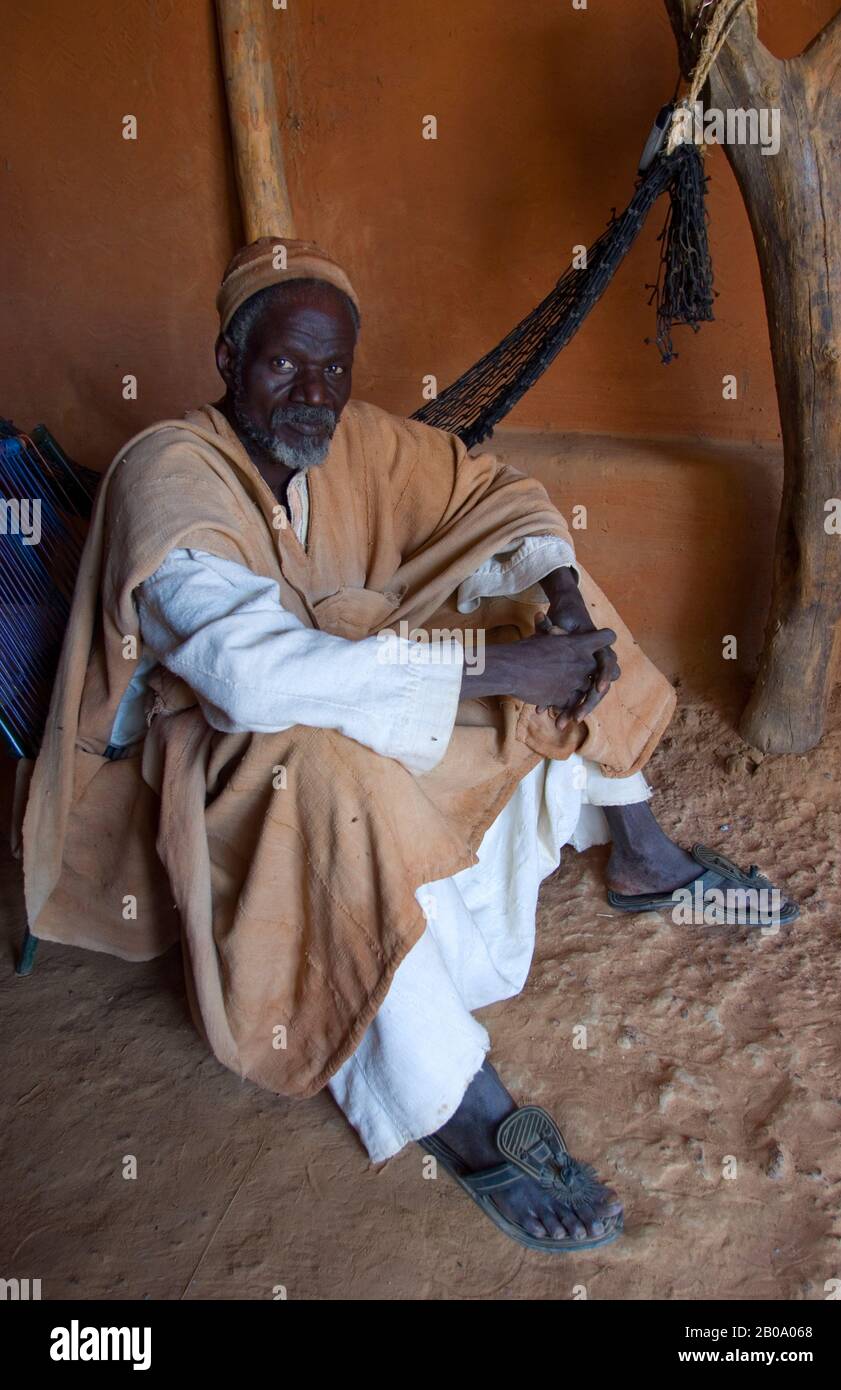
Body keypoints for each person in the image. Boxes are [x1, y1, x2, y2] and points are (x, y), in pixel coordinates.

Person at [22, 238, 796, 1253]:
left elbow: (491, 490)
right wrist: (494, 675)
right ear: (227, 357)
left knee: (541, 607)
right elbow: (250, 678)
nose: (313, 392)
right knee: (318, 761)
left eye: (333, 368)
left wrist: (555, 592)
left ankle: (642, 853)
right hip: (224, 772)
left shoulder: (349, 440)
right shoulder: (168, 470)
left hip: (374, 699)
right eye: (285, 364)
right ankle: (458, 1098)